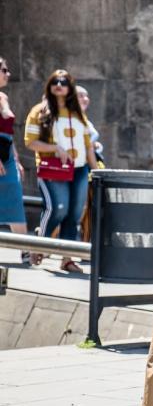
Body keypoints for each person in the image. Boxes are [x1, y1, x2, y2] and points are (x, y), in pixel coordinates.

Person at [24, 69, 96, 274]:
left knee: (74, 215)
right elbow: (30, 142)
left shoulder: (77, 114)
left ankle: (67, 259)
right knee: (58, 210)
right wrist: (55, 149)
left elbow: (88, 146)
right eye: (55, 81)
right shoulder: (40, 110)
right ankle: (39, 247)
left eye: (64, 82)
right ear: (50, 85)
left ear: (69, 87)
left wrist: (98, 170)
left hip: (79, 169)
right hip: (53, 169)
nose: (59, 85)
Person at [0, 56, 33, 264]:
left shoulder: (3, 96)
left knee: (14, 199)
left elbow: (7, 131)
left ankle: (26, 250)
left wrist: (17, 159)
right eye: (4, 70)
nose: (8, 73)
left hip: (7, 154)